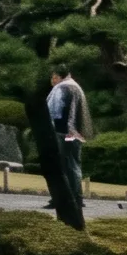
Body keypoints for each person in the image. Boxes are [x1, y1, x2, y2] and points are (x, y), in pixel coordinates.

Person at [49, 64, 93, 206]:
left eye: (53, 76)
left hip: (65, 132)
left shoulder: (62, 88)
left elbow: (55, 112)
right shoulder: (75, 86)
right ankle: (77, 197)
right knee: (74, 165)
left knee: (65, 166)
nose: (52, 80)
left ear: (57, 76)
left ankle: (66, 198)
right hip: (76, 133)